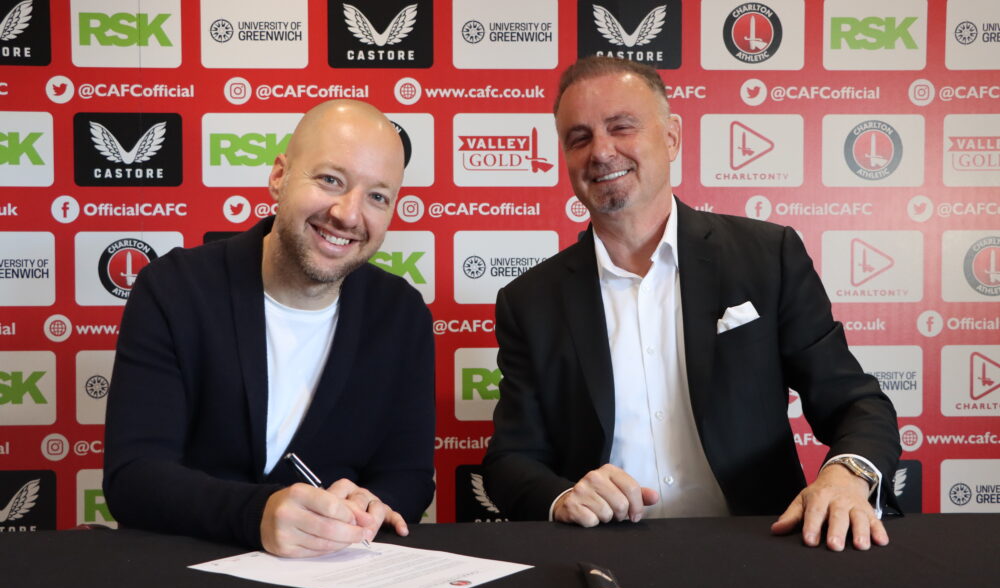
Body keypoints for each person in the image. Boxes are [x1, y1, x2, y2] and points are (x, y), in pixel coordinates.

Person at [482, 57, 901, 551]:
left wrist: (847, 475)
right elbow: (510, 460)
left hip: (759, 549)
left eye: (621, 127)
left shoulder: (768, 257)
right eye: (579, 138)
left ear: (672, 138)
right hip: (604, 557)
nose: (601, 151)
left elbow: (856, 404)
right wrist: (564, 497)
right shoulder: (529, 301)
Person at [104, 100, 435, 558]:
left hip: (338, 575)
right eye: (330, 180)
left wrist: (373, 504)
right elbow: (134, 477)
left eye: (377, 196)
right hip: (189, 572)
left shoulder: (401, 314)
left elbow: (409, 477)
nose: (348, 214)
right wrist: (256, 513)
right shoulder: (174, 289)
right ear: (279, 176)